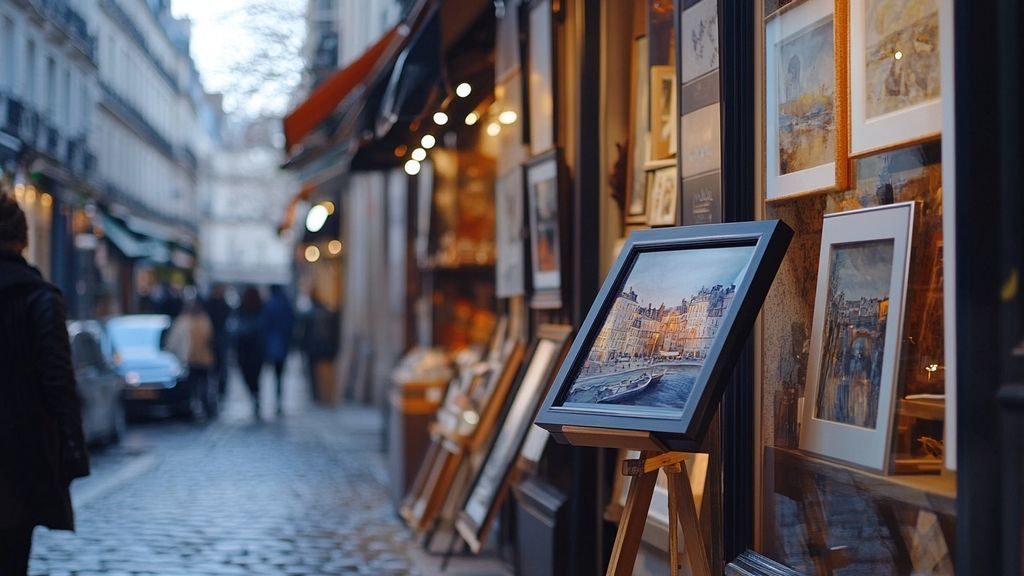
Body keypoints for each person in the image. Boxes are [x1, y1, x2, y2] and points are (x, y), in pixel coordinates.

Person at [0, 194, 90, 574]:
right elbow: (58, 380)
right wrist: (73, 446)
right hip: (19, 453)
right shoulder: (39, 298)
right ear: (23, 239)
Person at [165, 294, 216, 418]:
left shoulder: (183, 321)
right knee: (202, 385)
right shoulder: (204, 320)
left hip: (192, 359)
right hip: (202, 359)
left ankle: (197, 406)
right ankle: (203, 406)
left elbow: (172, 343)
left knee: (194, 385)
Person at [260, 285, 294, 416]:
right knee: (279, 375)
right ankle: (278, 399)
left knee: (268, 372)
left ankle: (263, 399)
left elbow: (265, 324)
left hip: (271, 344)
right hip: (283, 343)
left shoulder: (269, 305)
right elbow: (291, 323)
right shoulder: (286, 304)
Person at [303, 288, 339, 404]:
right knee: (327, 374)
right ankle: (327, 396)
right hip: (326, 348)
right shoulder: (329, 314)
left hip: (314, 348)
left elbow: (306, 333)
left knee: (314, 374)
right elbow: (335, 333)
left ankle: (317, 395)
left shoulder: (311, 314)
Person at [235, 286, 265, 419]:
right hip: (255, 347)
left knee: (248, 374)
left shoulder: (243, 308)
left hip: (246, 347)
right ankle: (255, 394)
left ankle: (254, 394)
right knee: (255, 375)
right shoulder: (260, 307)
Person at [205, 284, 233, 399]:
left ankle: (220, 390)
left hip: (219, 339)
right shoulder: (214, 304)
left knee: (220, 367)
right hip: (213, 338)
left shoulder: (223, 305)